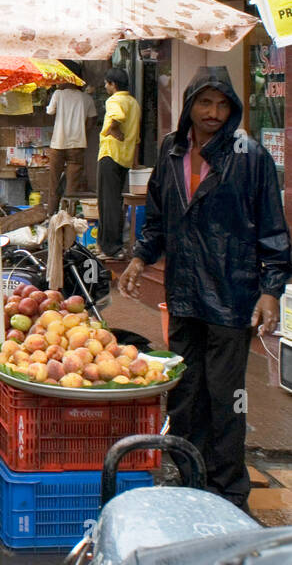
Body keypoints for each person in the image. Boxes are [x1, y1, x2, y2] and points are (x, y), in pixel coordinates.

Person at [119, 67, 290, 510]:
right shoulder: (172, 151)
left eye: (222, 104)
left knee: (226, 401)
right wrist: (139, 257)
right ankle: (189, 480)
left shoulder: (249, 156)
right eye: (204, 103)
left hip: (233, 299)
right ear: (190, 105)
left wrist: (271, 289)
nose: (213, 113)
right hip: (184, 296)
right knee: (184, 392)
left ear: (231, 108)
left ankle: (230, 493)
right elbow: (156, 219)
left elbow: (273, 231)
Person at [95, 68, 141, 258]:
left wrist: (113, 130)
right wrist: (135, 162)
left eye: (107, 83)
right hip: (124, 158)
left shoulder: (115, 100)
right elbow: (137, 138)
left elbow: (117, 116)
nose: (105, 86)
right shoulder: (134, 102)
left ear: (113, 84)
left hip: (110, 155)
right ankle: (111, 245)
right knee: (115, 201)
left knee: (108, 203)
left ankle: (111, 247)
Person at [46, 75, 96, 204]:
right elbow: (91, 120)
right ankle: (68, 214)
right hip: (77, 144)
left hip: (58, 143)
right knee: (72, 185)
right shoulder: (87, 98)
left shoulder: (58, 94)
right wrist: (83, 133)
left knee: (54, 182)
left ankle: (51, 212)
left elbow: (50, 111)